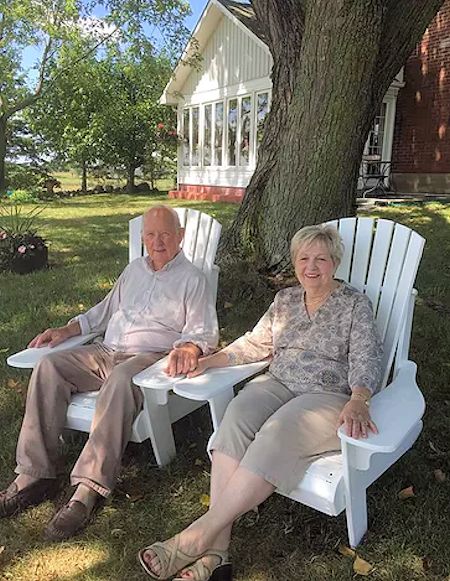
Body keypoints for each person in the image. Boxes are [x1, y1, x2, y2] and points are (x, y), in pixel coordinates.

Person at [138, 224, 382, 581]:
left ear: (335, 263)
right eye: (303, 258)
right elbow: (255, 344)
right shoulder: (285, 300)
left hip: (327, 395)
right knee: (235, 417)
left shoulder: (354, 304)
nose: (311, 267)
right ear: (295, 262)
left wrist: (360, 398)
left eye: (321, 259)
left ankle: (195, 539)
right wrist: (207, 361)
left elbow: (367, 356)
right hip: (278, 382)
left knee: (276, 435)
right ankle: (216, 554)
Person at [0, 205, 218, 541]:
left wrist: (190, 348)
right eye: (150, 234)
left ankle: (86, 489)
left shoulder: (193, 279)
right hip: (105, 351)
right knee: (49, 366)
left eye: (165, 234)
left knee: (120, 380)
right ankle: (34, 474)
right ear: (143, 237)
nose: (157, 241)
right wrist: (66, 329)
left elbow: (203, 331)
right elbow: (103, 313)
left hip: (149, 356)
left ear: (181, 236)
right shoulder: (133, 270)